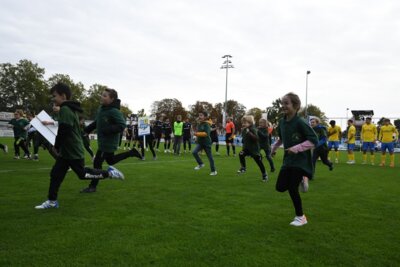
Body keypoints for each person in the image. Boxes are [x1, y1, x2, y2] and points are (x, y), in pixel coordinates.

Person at [35, 83, 125, 209]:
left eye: (54, 96)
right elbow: (91, 123)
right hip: (67, 151)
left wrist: (57, 145)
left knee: (82, 174)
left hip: (73, 150)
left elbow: (64, 129)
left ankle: (108, 173)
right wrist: (86, 130)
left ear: (63, 96)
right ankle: (52, 201)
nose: (53, 99)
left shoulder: (66, 109)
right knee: (56, 174)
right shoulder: (67, 108)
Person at [80, 88, 142, 193]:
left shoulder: (114, 111)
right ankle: (132, 152)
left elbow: (122, 125)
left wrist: (106, 130)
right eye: (102, 95)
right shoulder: (101, 109)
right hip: (103, 140)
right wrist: (87, 130)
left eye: (105, 96)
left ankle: (93, 186)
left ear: (112, 99)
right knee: (110, 160)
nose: (102, 97)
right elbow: (97, 122)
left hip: (107, 142)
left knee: (97, 163)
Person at [271, 92, 318, 227]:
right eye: (282, 103)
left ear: (296, 106)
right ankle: (303, 178)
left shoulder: (300, 122)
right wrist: (273, 149)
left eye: (286, 103)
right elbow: (281, 139)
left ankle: (301, 217)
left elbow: (314, 140)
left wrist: (296, 148)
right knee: (280, 187)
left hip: (301, 160)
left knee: (292, 187)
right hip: (288, 160)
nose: (283, 106)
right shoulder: (281, 122)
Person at [238, 115, 268, 181]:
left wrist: (249, 133)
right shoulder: (244, 129)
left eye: (245, 123)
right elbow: (244, 139)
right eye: (243, 123)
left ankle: (264, 175)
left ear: (250, 123)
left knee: (259, 162)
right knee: (241, 154)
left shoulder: (253, 129)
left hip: (254, 150)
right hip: (247, 149)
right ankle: (243, 168)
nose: (243, 124)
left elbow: (256, 139)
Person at [192, 111, 217, 176]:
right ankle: (201, 164)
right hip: (200, 143)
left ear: (205, 117)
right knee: (194, 152)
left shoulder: (207, 124)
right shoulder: (200, 123)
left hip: (206, 143)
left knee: (210, 157)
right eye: (199, 115)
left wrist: (196, 134)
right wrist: (196, 137)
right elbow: (199, 132)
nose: (199, 117)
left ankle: (213, 171)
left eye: (201, 115)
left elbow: (206, 134)